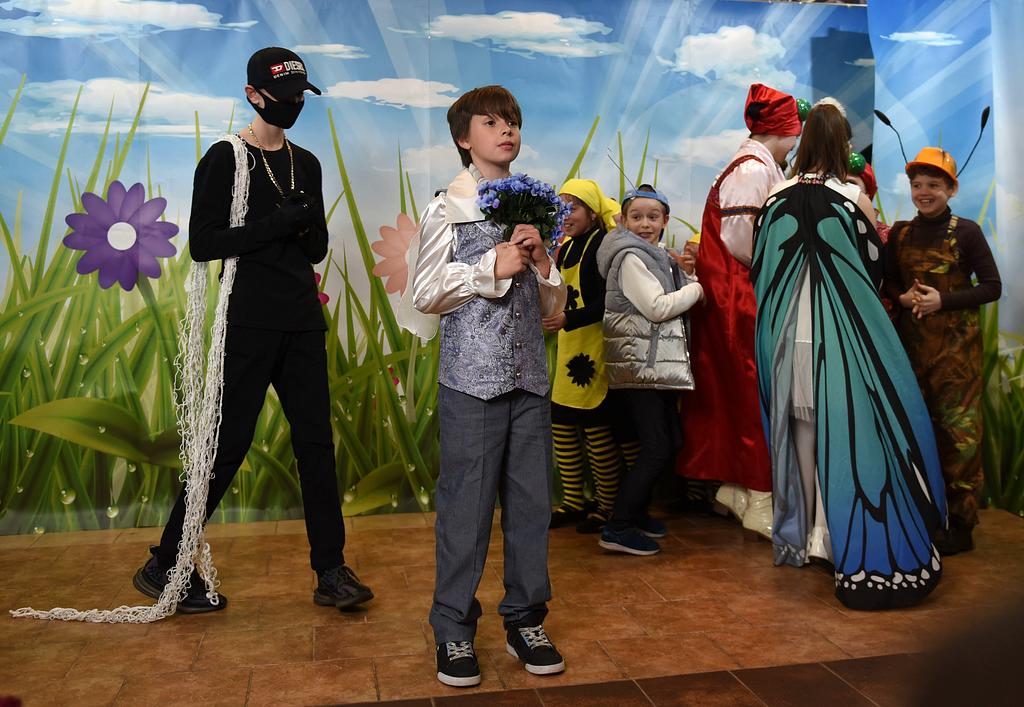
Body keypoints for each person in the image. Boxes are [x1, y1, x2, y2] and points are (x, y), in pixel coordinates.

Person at [132, 47, 372, 613]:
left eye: (299, 97)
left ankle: (331, 570)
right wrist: (275, 223)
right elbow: (204, 244)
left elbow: (316, 249)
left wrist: (305, 226)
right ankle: (165, 561)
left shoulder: (305, 163)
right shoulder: (225, 158)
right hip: (247, 320)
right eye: (283, 97)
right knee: (227, 445)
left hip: (301, 319)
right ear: (253, 95)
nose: (292, 106)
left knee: (316, 444)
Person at [750, 99, 947, 610]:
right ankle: (837, 541)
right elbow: (871, 270)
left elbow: (760, 266)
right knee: (844, 434)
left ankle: (803, 539)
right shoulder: (852, 195)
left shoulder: (775, 195)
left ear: (804, 138)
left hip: (784, 336)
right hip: (839, 338)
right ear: (842, 144)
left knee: (799, 434)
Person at [407, 85, 567, 687]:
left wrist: (544, 265)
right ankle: (452, 628)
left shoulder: (535, 206)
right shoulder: (447, 207)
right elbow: (425, 292)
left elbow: (552, 310)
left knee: (530, 507)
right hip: (471, 383)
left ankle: (525, 619)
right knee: (466, 512)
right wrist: (486, 267)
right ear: (462, 137)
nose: (506, 131)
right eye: (491, 122)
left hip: (530, 383)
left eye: (512, 122)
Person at [677, 83, 803, 539]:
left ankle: (737, 488)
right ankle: (759, 495)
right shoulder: (752, 170)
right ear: (785, 131)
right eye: (794, 133)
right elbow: (740, 240)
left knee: (736, 393)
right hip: (738, 298)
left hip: (734, 295)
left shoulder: (752, 165)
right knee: (751, 394)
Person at [885, 147, 1002, 555]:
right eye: (917, 185)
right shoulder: (899, 234)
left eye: (934, 185)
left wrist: (943, 301)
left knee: (959, 440)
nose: (924, 192)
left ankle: (961, 526)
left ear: (951, 189)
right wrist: (901, 299)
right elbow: (887, 283)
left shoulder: (967, 232)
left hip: (957, 362)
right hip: (911, 356)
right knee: (917, 434)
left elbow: (992, 287)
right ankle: (923, 517)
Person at [595, 185, 704, 556]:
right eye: (637, 217)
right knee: (657, 446)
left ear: (665, 220)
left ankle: (636, 514)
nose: (645, 224)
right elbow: (656, 308)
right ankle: (619, 526)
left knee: (669, 442)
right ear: (624, 221)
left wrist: (687, 277)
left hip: (656, 365)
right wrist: (698, 290)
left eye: (652, 217)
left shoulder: (657, 255)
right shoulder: (629, 256)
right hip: (639, 365)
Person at [544, 179, 625, 534]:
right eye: (561, 208)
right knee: (562, 425)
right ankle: (573, 501)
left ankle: (608, 505)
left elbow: (608, 302)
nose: (566, 215)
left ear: (592, 213)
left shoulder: (601, 246)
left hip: (594, 349)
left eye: (573, 207)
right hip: (569, 350)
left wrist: (568, 319)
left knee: (597, 431)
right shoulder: (565, 248)